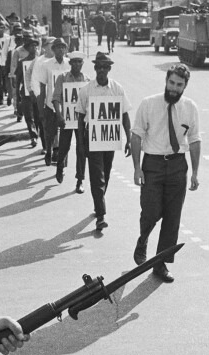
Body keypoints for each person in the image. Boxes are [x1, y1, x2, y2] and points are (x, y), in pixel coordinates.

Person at [130, 64, 201, 284]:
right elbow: (136, 136)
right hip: (152, 164)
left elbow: (195, 140)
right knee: (151, 211)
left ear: (184, 86)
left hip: (178, 165)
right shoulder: (148, 104)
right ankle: (143, 239)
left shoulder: (190, 108)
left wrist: (195, 173)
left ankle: (159, 263)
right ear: (166, 81)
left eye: (179, 85)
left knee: (172, 217)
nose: (174, 88)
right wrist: (137, 168)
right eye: (171, 83)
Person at [76, 52, 132, 231]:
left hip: (109, 139)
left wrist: (128, 139)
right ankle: (101, 215)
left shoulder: (117, 89)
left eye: (104, 67)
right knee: (96, 176)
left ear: (109, 69)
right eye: (98, 66)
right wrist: (80, 143)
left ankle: (98, 202)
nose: (101, 70)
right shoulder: (86, 90)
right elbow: (80, 118)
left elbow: (124, 115)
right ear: (94, 68)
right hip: (92, 139)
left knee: (105, 174)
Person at [53, 50, 89, 194]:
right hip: (67, 120)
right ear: (70, 63)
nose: (76, 64)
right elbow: (56, 98)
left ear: (82, 63)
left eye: (79, 62)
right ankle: (60, 165)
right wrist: (59, 115)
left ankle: (80, 180)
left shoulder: (87, 80)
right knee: (64, 147)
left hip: (81, 121)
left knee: (81, 150)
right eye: (74, 62)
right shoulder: (62, 78)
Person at [33, 37, 70, 165]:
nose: (60, 49)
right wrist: (41, 108)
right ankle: (49, 150)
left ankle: (62, 158)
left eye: (63, 47)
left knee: (66, 133)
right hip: (50, 103)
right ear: (53, 49)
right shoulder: (46, 65)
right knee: (50, 131)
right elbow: (42, 88)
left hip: (67, 105)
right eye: (57, 47)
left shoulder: (70, 64)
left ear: (66, 49)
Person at [17, 37, 42, 148]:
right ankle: (33, 136)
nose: (34, 48)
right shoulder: (22, 62)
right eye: (32, 46)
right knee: (28, 116)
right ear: (27, 48)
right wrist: (17, 94)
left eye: (36, 46)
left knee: (37, 116)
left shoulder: (41, 62)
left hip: (37, 93)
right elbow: (18, 79)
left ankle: (36, 133)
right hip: (26, 93)